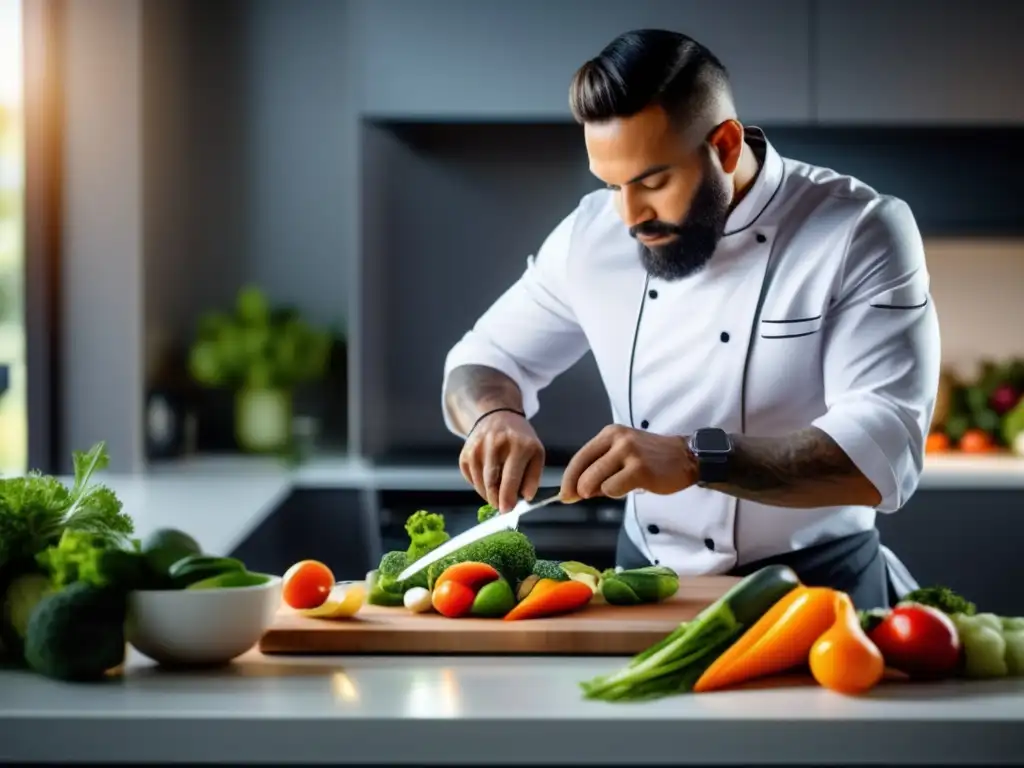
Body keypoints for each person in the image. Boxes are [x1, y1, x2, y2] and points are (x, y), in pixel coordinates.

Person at [439, 29, 941, 610]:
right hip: (645, 590)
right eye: (612, 185)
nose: (630, 216)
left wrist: (693, 458)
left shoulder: (857, 230)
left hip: (816, 596)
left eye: (654, 182)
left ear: (725, 145)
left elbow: (884, 451)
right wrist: (493, 416)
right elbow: (480, 360)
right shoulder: (592, 234)